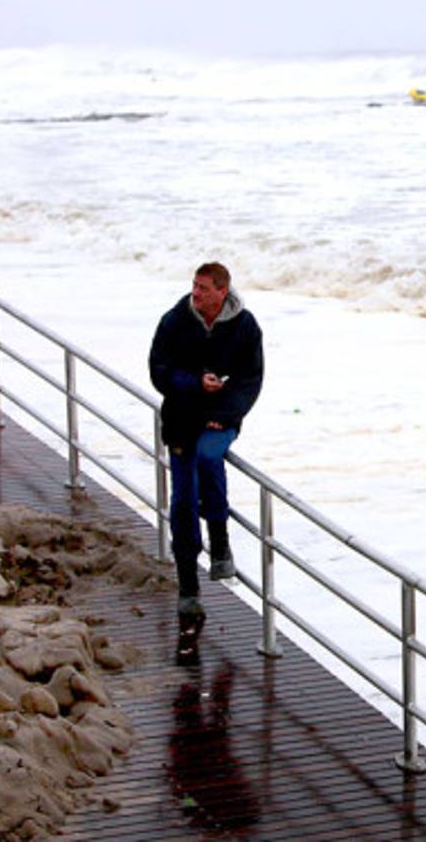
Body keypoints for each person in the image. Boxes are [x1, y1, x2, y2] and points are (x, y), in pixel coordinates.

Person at [149, 262, 263, 662]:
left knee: (210, 456)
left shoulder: (245, 326)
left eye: (202, 288)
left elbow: (252, 380)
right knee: (182, 502)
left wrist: (228, 411)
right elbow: (159, 371)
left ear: (222, 291)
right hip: (181, 417)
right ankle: (188, 589)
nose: (195, 294)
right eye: (194, 287)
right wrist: (195, 383)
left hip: (220, 420)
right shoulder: (175, 320)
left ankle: (220, 541)